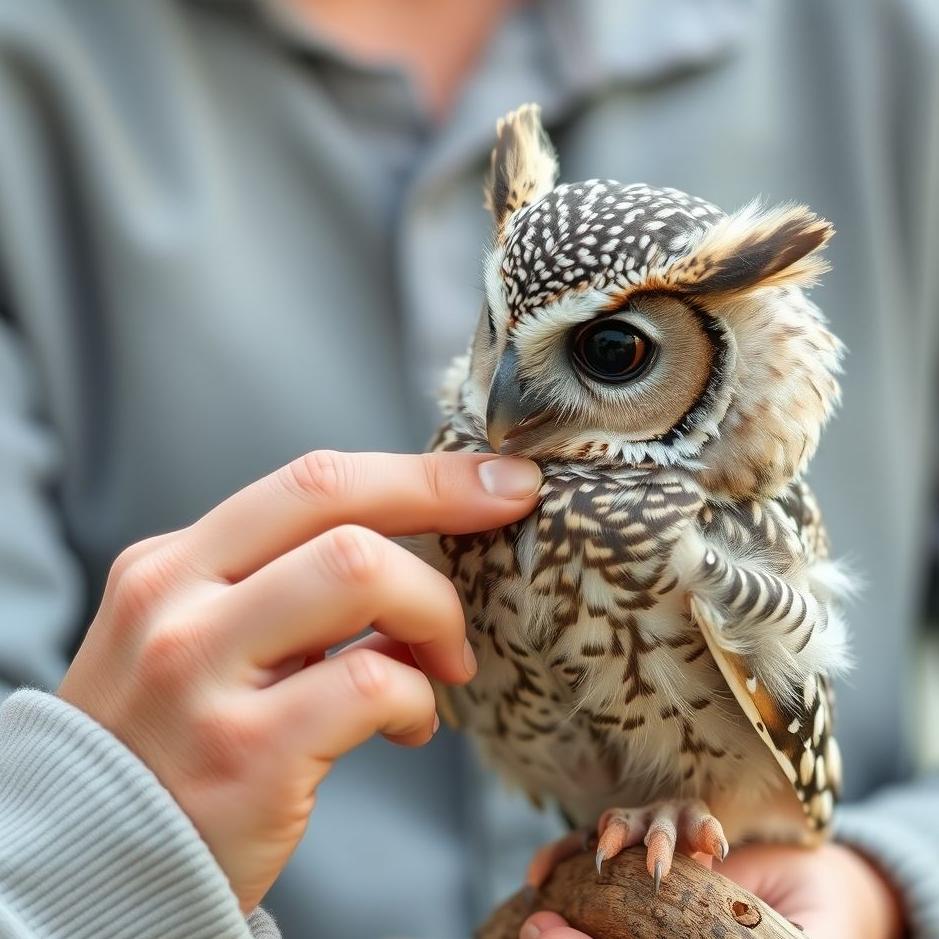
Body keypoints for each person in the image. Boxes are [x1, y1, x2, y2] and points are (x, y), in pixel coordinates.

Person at [0, 1, 936, 937]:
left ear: (724, 369)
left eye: (612, 354)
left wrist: (885, 883)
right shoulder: (34, 68)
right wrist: (107, 852)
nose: (512, 403)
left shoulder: (887, 42)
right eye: (498, 335)